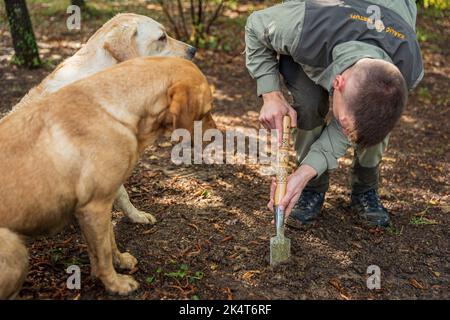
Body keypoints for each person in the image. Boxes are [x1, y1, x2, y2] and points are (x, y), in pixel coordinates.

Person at [245, 0, 423, 227]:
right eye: (345, 125)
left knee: (376, 119)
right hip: (316, 37)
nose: (346, 132)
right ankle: (314, 188)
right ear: (337, 82)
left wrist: (302, 174)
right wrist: (270, 94)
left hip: (387, 20)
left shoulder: (409, 67)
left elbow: (352, 123)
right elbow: (255, 25)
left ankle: (365, 186)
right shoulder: (303, 25)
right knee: (308, 105)